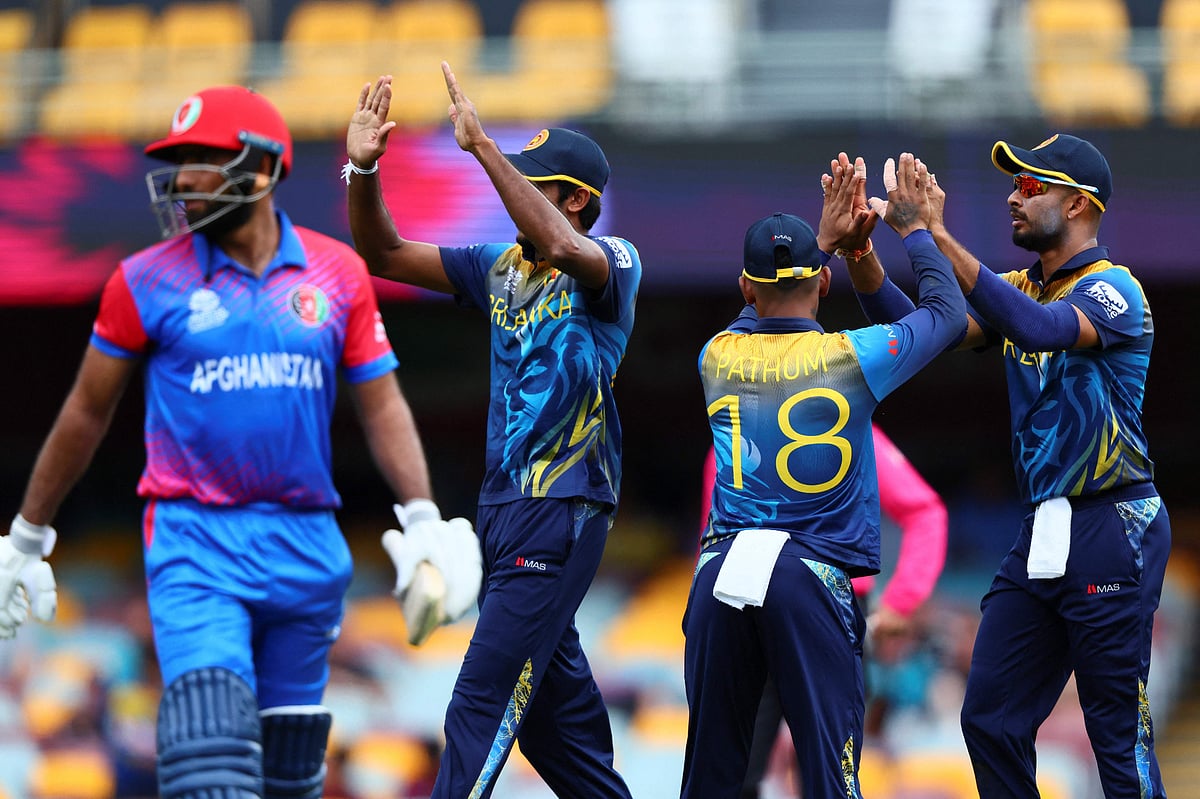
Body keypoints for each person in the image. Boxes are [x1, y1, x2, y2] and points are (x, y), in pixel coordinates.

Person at [0, 85, 477, 799]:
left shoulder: (335, 273)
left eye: (200, 159)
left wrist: (421, 519)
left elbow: (381, 405)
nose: (183, 178)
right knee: (211, 767)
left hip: (307, 548)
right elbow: (85, 412)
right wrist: (26, 536)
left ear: (260, 168)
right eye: (178, 160)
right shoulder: (144, 280)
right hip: (197, 542)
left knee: (290, 781)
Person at [344, 64, 641, 799]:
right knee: (553, 731)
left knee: (476, 707)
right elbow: (382, 252)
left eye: (534, 182)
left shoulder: (611, 265)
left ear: (577, 200)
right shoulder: (498, 267)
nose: (513, 190)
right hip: (502, 515)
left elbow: (571, 250)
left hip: (561, 505)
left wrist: (483, 148)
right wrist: (362, 168)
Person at [843, 135, 1171, 797]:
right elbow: (924, 333)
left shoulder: (1116, 290)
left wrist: (933, 232)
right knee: (989, 716)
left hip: (1114, 522)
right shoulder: (1023, 286)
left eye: (1030, 187)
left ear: (1078, 203)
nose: (1012, 199)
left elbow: (1042, 329)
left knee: (1114, 727)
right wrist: (863, 255)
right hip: (1044, 528)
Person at [681, 152, 965, 799]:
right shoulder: (853, 355)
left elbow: (763, 310)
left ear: (745, 288)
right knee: (831, 778)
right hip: (811, 577)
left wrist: (825, 242)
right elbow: (945, 317)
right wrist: (913, 230)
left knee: (711, 780)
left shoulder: (716, 355)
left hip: (720, 573)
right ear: (827, 284)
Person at [695, 424, 949, 799]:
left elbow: (923, 512)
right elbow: (712, 541)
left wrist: (901, 601)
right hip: (752, 603)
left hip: (825, 605)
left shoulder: (846, 426)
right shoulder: (730, 435)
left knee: (827, 773)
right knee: (737, 774)